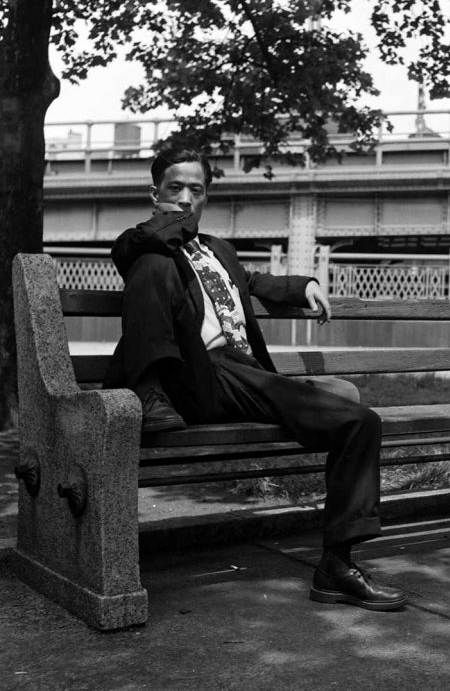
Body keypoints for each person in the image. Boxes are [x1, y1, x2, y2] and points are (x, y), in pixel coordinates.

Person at [104, 147, 406, 612]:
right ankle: (148, 392)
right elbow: (147, 246)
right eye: (174, 188)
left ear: (208, 196)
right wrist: (176, 219)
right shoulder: (139, 245)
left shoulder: (219, 250)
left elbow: (253, 281)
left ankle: (337, 566)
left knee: (359, 420)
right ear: (154, 193)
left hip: (242, 376)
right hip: (188, 377)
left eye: (196, 190)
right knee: (157, 263)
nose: (185, 199)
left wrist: (303, 285)